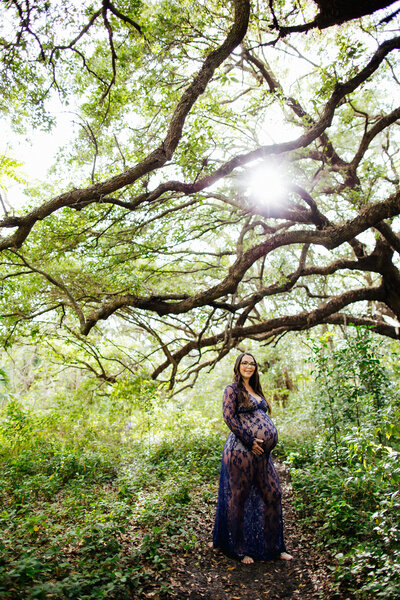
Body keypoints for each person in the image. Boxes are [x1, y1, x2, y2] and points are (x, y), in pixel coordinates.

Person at [212, 352, 293, 564]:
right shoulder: (232, 390)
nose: (249, 366)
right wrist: (250, 441)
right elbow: (228, 417)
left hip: (261, 454)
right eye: (245, 363)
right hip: (240, 450)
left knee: (273, 494)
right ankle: (239, 549)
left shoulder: (256, 390)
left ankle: (275, 547)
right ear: (238, 366)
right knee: (239, 497)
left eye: (252, 363)